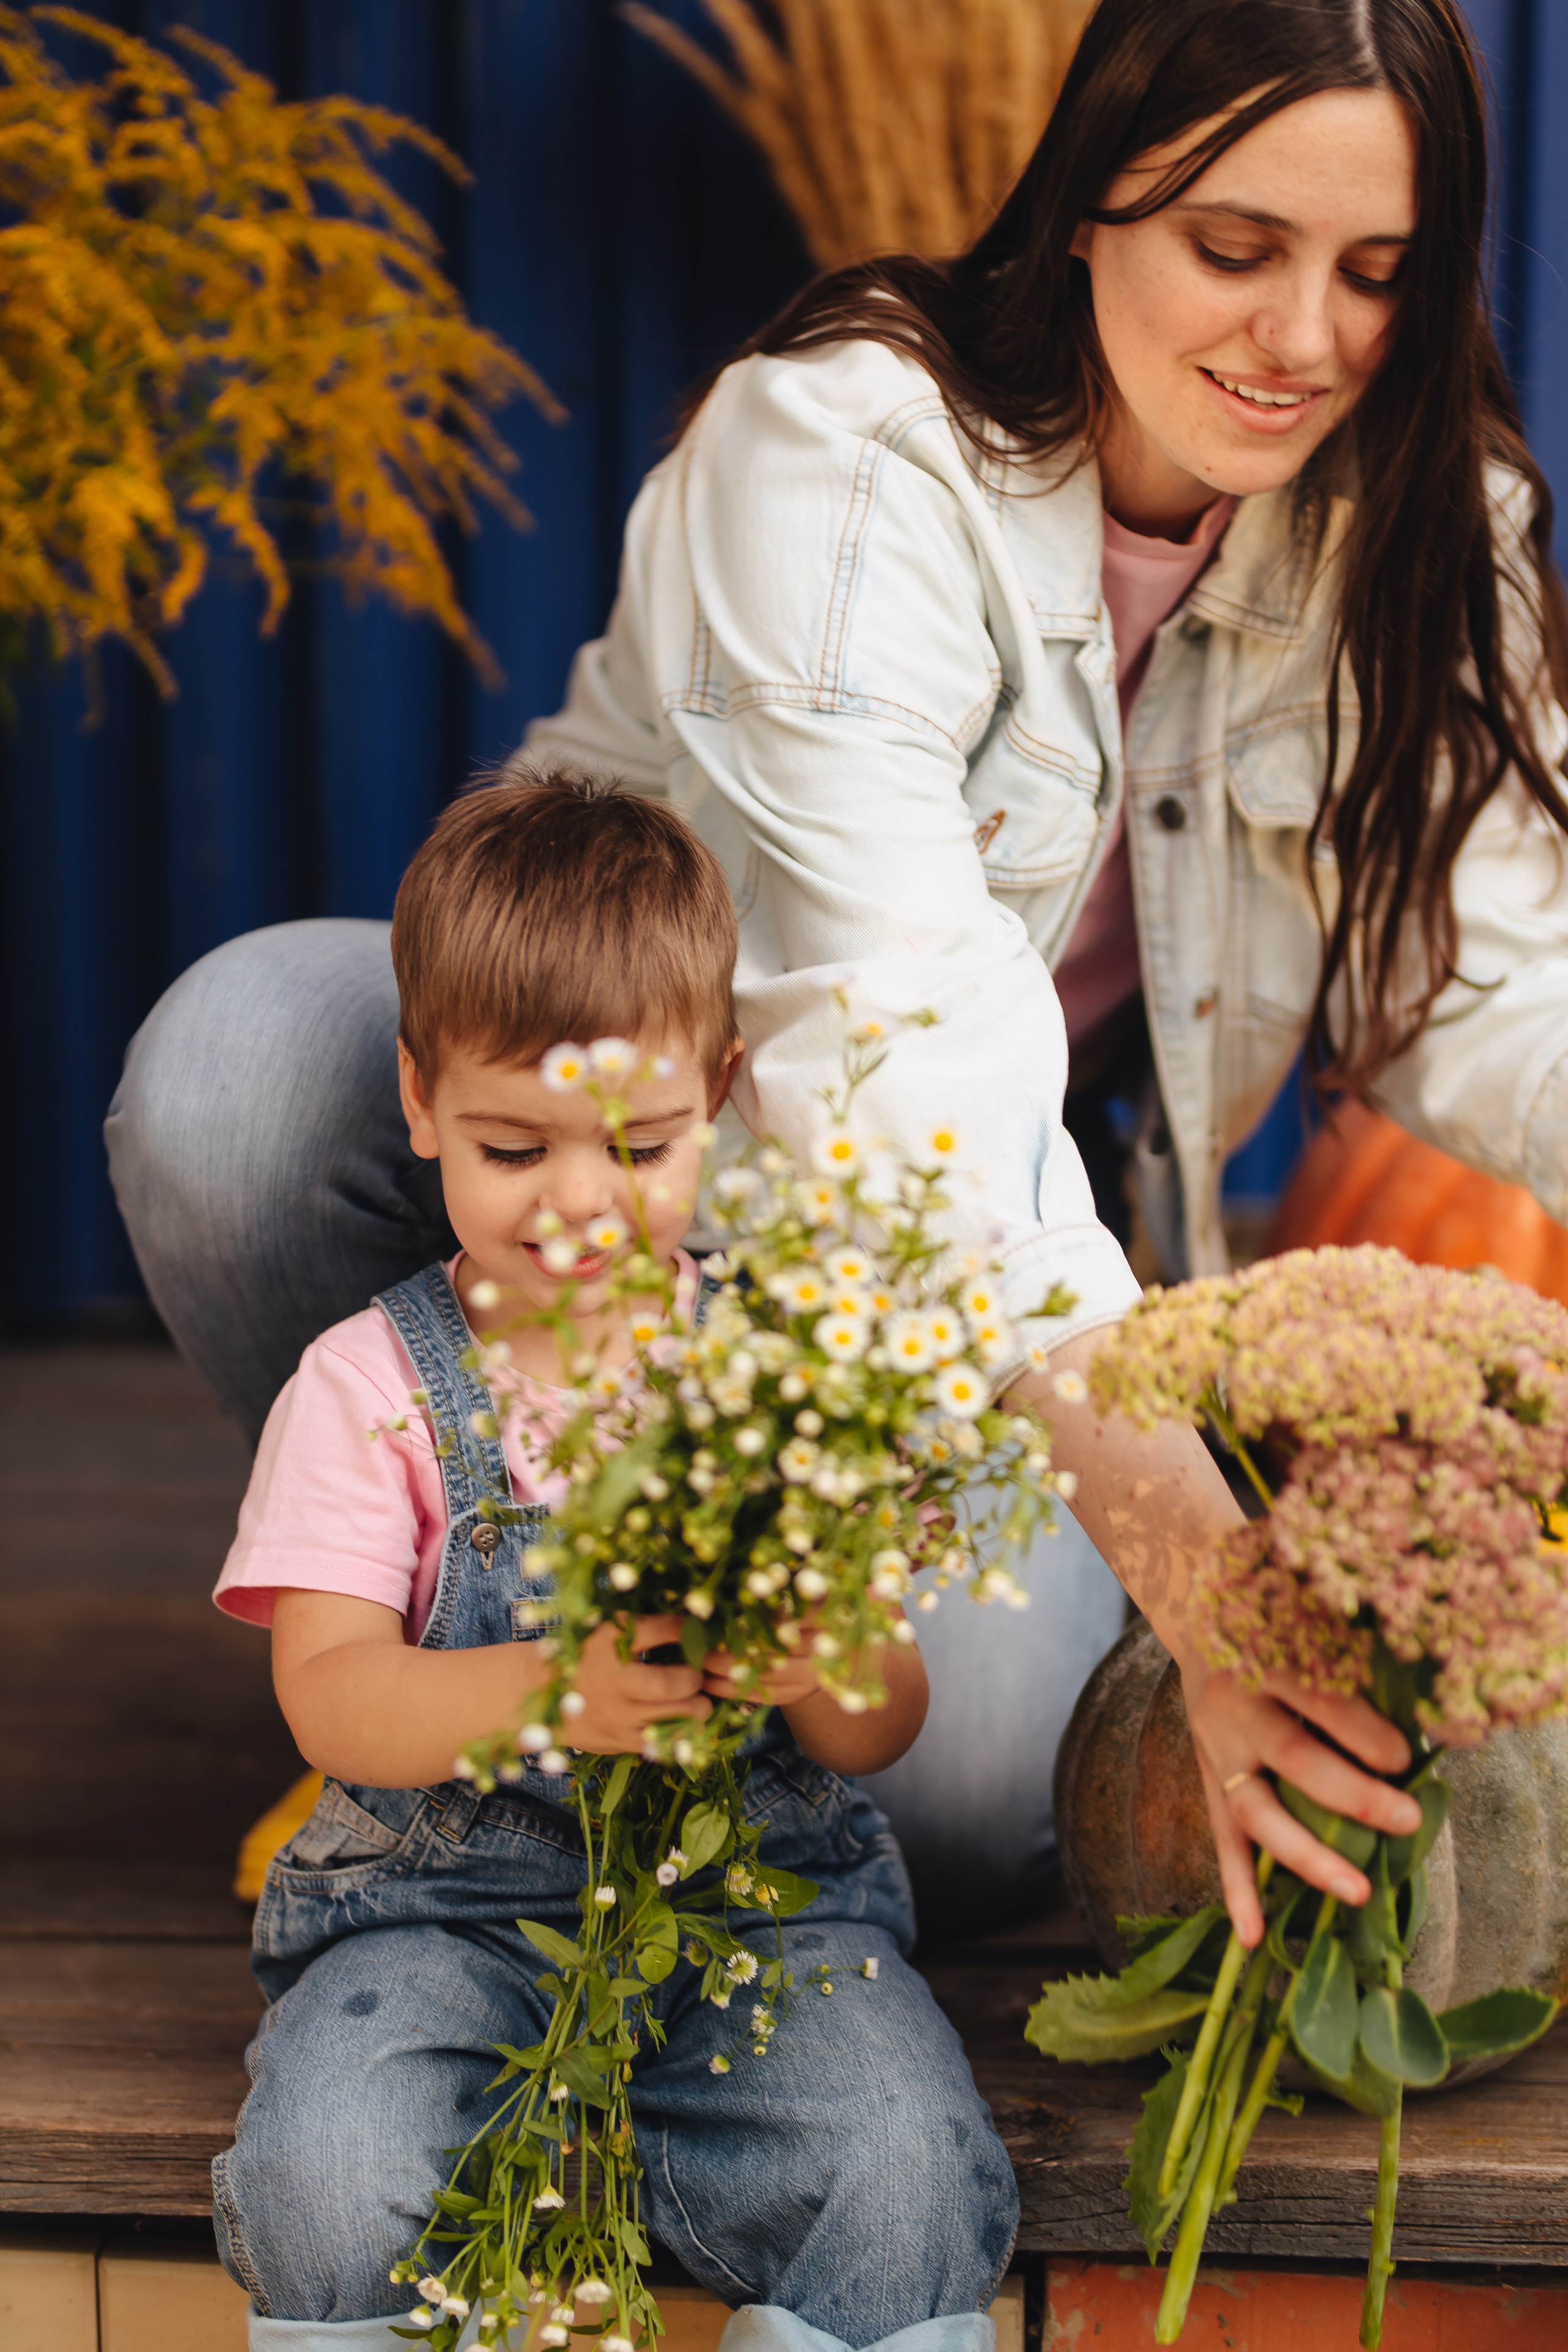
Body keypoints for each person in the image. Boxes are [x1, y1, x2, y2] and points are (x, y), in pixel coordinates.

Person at [110, 0, 1568, 1946]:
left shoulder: (1417, 523)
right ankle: (431, 1637)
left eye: (1375, 274)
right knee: (232, 1086)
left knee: (962, 1821)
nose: (1303, 339)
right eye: (1236, 249)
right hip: (634, 1149)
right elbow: (910, 1073)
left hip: (936, 1277)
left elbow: (1494, 988)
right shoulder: (844, 455)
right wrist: (1218, 1590)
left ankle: (708, 1711)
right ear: (1089, 208)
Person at [210, 772, 1012, 2352]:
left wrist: (826, 1658)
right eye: (516, 1146)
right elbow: (333, 1695)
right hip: (438, 1924)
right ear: (421, 1099)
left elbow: (879, 1725)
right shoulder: (370, 1390)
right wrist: (550, 1693)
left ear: (720, 1093)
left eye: (640, 1147)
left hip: (756, 1920)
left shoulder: (779, 1367)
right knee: (328, 2167)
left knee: (907, 2170)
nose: (580, 1203)